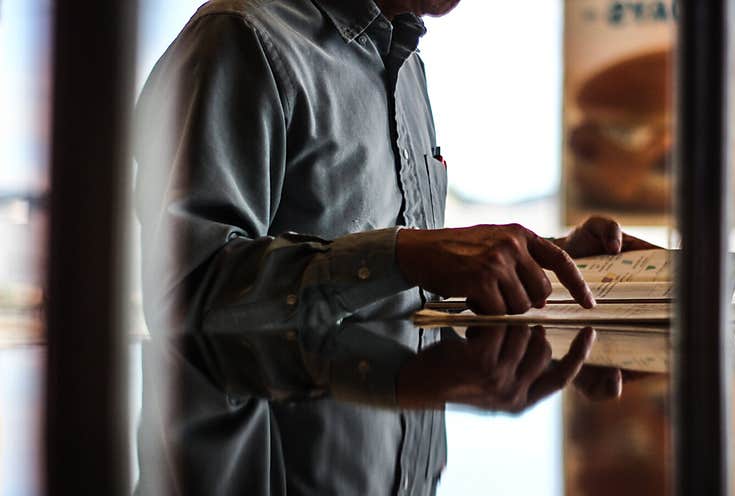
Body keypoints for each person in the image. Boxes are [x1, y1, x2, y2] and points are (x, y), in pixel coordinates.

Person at [134, 0, 653, 332]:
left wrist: (545, 259)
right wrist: (403, 255)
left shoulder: (405, 65)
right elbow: (185, 296)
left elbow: (406, 280)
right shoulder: (241, 37)